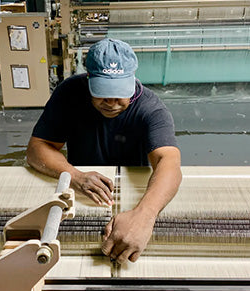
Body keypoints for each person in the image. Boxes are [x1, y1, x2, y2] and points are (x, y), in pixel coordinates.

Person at [27, 38, 182, 264]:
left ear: (132, 81)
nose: (111, 102)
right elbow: (36, 149)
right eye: (102, 93)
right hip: (83, 190)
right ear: (88, 78)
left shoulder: (151, 109)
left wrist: (144, 216)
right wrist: (75, 176)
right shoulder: (69, 94)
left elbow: (168, 161)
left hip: (133, 188)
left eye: (119, 93)